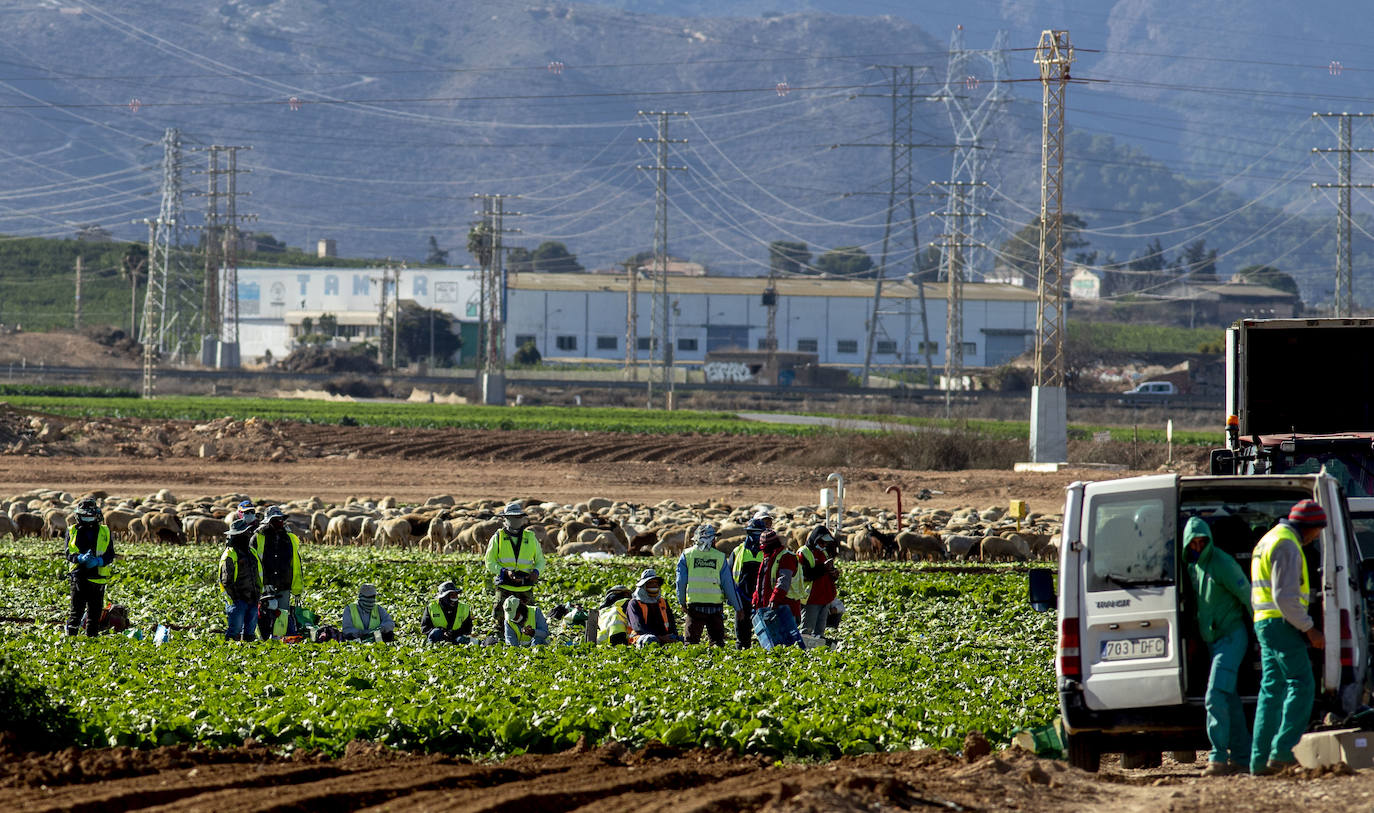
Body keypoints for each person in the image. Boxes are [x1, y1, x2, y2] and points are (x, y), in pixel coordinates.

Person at [1250, 499, 1327, 775]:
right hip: (1281, 624)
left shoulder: (1268, 539)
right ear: (1308, 527)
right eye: (1317, 531)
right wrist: (1310, 629)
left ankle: (1259, 762)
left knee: (1271, 691)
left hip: (1265, 622)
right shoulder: (1287, 545)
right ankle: (1282, 752)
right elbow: (1285, 597)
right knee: (1302, 683)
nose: (1317, 536)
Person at [1183, 516, 1252, 776]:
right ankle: (1243, 757)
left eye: (1202, 542)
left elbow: (1248, 595)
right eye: (1194, 543)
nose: (1199, 547)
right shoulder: (1193, 566)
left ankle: (1218, 757)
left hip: (1232, 638)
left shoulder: (1222, 563)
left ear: (1209, 541)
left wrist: (1263, 631)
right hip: (1214, 642)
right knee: (1229, 700)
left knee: (1214, 696)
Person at [484, 502, 545, 639]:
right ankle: (501, 642)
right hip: (505, 586)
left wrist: (536, 572)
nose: (516, 520)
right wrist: (505, 572)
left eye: (518, 517)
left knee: (529, 618)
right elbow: (489, 562)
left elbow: (540, 560)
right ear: (505, 518)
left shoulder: (530, 537)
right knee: (500, 619)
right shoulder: (498, 538)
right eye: (512, 517)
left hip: (525, 586)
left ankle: (527, 642)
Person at [675, 524, 742, 646]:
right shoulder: (719, 557)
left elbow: (681, 581)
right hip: (715, 606)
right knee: (717, 642)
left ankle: (690, 664)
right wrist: (738, 607)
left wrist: (682, 602)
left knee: (691, 643)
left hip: (694, 606)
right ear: (712, 539)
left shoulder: (687, 555)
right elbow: (728, 585)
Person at [65, 498, 115, 638]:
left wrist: (99, 561)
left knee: (95, 614)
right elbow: (68, 553)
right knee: (76, 612)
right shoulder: (72, 530)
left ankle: (91, 640)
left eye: (90, 516)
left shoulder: (105, 531)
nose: (87, 519)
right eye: (84, 516)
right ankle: (71, 638)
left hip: (97, 578)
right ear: (78, 516)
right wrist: (79, 558)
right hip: (79, 577)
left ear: (97, 516)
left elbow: (110, 554)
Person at [253, 506, 303, 639]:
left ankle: (280, 640)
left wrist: (297, 588)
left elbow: (296, 565)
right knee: (264, 615)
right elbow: (254, 562)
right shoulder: (258, 538)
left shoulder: (289, 539)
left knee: (282, 616)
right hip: (265, 585)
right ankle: (264, 639)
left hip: (283, 584)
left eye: (280, 519)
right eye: (275, 519)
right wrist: (259, 584)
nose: (278, 522)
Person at [752, 529, 806, 647]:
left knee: (787, 643)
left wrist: (774, 600)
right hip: (770, 609)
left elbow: (783, 581)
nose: (762, 548)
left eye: (764, 546)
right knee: (773, 643)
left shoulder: (786, 557)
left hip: (786, 608)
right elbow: (761, 584)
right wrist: (755, 600)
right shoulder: (767, 557)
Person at [218, 518, 262, 642]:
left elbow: (258, 574)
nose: (248, 535)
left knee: (250, 632)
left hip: (252, 597)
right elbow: (226, 581)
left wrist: (257, 592)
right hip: (239, 600)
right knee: (235, 630)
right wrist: (236, 598)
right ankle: (232, 653)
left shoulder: (251, 551)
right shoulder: (230, 554)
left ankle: (248, 653)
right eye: (245, 533)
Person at [730, 515, 768, 648]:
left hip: (763, 598)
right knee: (742, 631)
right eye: (753, 533)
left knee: (765, 632)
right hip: (742, 597)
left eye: (759, 533)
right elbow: (730, 576)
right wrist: (732, 598)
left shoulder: (768, 552)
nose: (756, 537)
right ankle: (742, 650)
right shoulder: (738, 551)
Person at [798, 525, 839, 637]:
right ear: (816, 539)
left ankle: (817, 651)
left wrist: (834, 574)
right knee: (807, 629)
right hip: (811, 597)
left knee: (820, 630)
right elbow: (804, 575)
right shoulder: (803, 552)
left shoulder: (824, 553)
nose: (824, 545)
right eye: (822, 542)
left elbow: (827, 574)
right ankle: (803, 651)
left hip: (824, 597)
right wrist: (823, 568)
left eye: (826, 543)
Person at [627, 568, 680, 646]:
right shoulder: (634, 603)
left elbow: (671, 623)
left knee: (682, 639)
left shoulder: (662, 602)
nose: (654, 585)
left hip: (664, 635)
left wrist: (672, 636)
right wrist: (661, 638)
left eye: (656, 583)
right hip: (641, 636)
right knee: (650, 640)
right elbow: (639, 627)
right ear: (643, 586)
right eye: (651, 583)